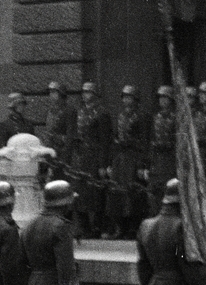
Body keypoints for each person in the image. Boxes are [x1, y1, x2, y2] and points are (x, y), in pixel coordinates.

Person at [72, 82, 114, 239]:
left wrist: (103, 164)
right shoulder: (80, 112)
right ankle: (84, 227)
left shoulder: (102, 113)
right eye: (83, 92)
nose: (85, 95)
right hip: (82, 157)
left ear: (95, 94)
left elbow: (105, 141)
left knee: (96, 194)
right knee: (80, 193)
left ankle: (98, 226)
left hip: (95, 157)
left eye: (88, 92)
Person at [109, 86, 148, 239]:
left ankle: (133, 228)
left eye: (129, 97)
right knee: (117, 193)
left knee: (132, 194)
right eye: (124, 97)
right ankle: (120, 227)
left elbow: (143, 140)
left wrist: (142, 164)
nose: (126, 100)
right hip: (120, 157)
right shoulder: (120, 116)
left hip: (133, 157)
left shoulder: (141, 116)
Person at [148, 85, 177, 213]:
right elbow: (151, 138)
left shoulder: (176, 117)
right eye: (160, 98)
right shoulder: (156, 117)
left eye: (165, 98)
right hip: (157, 159)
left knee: (169, 189)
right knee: (155, 192)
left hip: (170, 159)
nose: (162, 101)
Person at [42, 82, 77, 175]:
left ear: (61, 93)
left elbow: (70, 134)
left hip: (62, 152)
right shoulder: (51, 110)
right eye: (50, 92)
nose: (51, 95)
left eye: (54, 92)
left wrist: (66, 156)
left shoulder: (69, 110)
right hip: (51, 150)